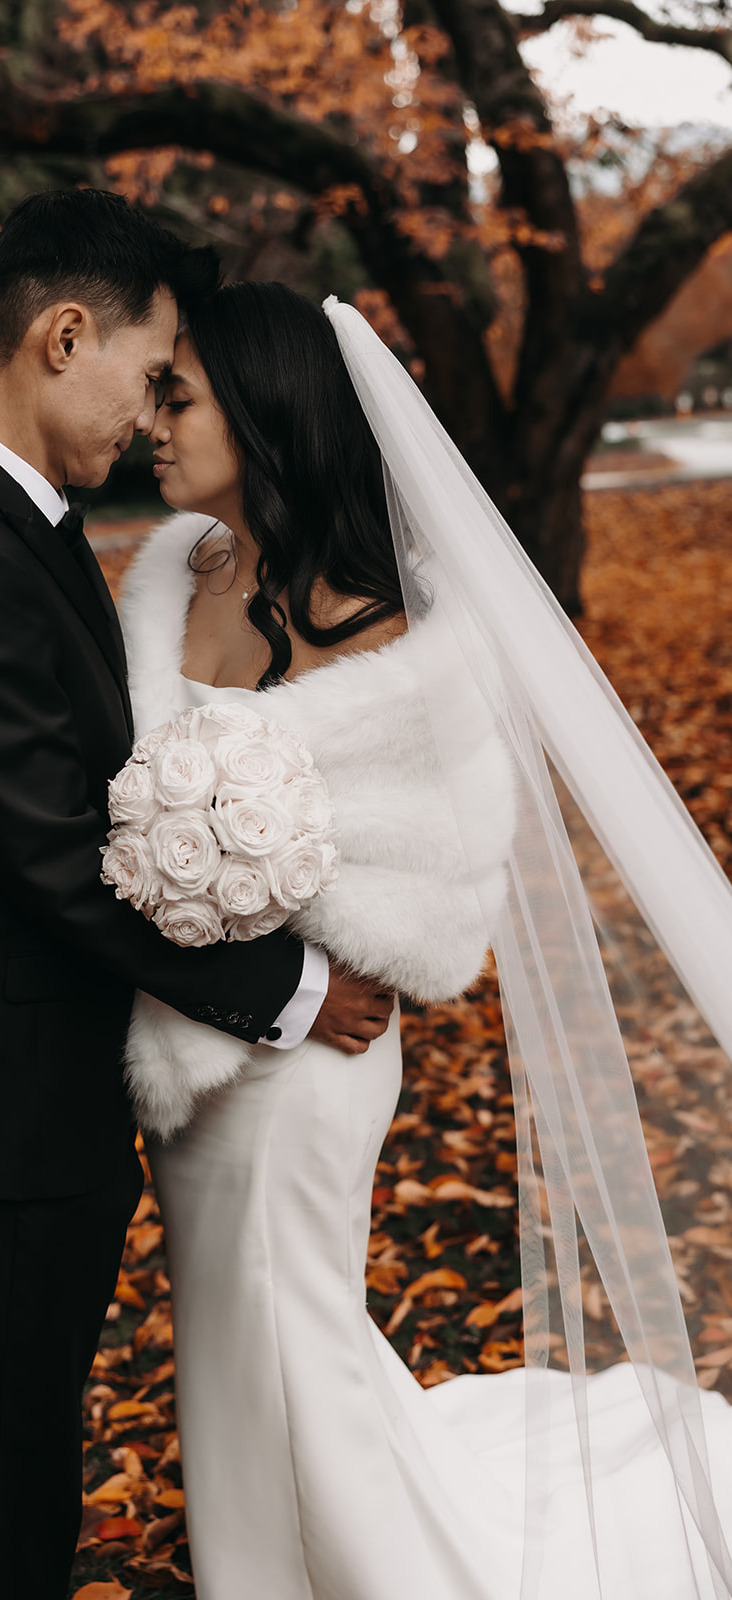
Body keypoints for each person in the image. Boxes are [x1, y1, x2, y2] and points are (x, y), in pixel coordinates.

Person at [117, 280, 732, 1598]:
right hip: (191, 1041)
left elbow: (449, 861)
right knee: (231, 1338)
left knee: (296, 1333)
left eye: (180, 396)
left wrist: (312, 953)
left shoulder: (404, 633)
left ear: (267, 408)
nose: (150, 423)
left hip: (311, 1055)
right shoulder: (170, 576)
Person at [0, 195, 391, 1599]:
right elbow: (52, 858)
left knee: (32, 1439)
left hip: (46, 1072)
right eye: (150, 375)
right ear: (62, 337)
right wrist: (289, 988)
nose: (153, 414)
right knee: (10, 1463)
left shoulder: (20, 523)